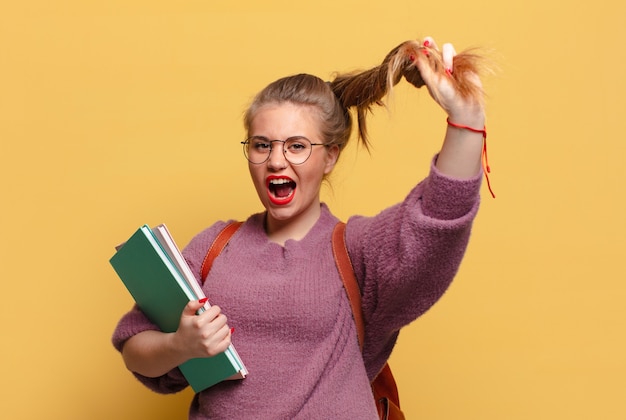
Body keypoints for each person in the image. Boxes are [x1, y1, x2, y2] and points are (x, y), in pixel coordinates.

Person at [112, 36, 491, 419]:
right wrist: (181, 345)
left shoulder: (355, 249)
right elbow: (135, 346)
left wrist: (466, 120)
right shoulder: (213, 246)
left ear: (330, 157)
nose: (276, 160)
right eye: (262, 145)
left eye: (296, 146)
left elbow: (436, 220)